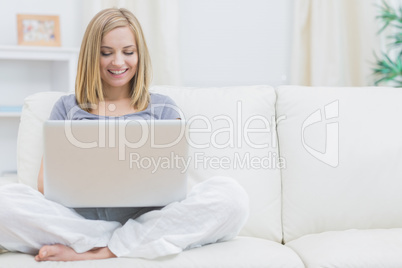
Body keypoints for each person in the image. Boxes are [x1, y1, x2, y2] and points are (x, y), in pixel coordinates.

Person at [0, 8, 249, 262]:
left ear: (139, 55)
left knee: (231, 196)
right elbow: (45, 185)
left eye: (128, 52)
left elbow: (175, 184)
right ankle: (114, 238)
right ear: (90, 56)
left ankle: (105, 247)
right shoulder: (68, 108)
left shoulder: (164, 108)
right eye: (106, 53)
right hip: (80, 219)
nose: (118, 62)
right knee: (3, 201)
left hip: (147, 218)